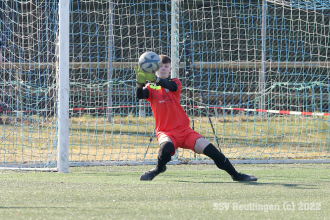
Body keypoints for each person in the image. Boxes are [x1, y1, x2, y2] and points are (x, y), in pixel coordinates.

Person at [135, 54, 257, 181]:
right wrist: (139, 83)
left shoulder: (175, 82)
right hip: (166, 132)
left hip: (185, 131)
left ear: (170, 69)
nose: (163, 69)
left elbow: (171, 86)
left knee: (212, 151)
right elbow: (140, 95)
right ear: (155, 68)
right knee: (166, 148)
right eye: (160, 66)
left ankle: (236, 175)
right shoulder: (151, 88)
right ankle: (158, 169)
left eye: (166, 66)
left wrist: (155, 79)